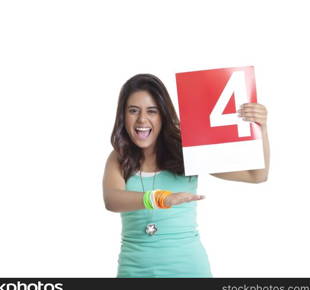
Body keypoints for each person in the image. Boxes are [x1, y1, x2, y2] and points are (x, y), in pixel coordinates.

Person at [102, 73, 270, 278]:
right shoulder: (120, 157)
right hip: (134, 271)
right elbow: (112, 199)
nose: (142, 120)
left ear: (163, 115)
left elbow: (256, 175)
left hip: (188, 271)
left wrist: (261, 127)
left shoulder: (187, 152)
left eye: (152, 111)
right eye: (133, 111)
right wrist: (161, 198)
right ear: (123, 115)